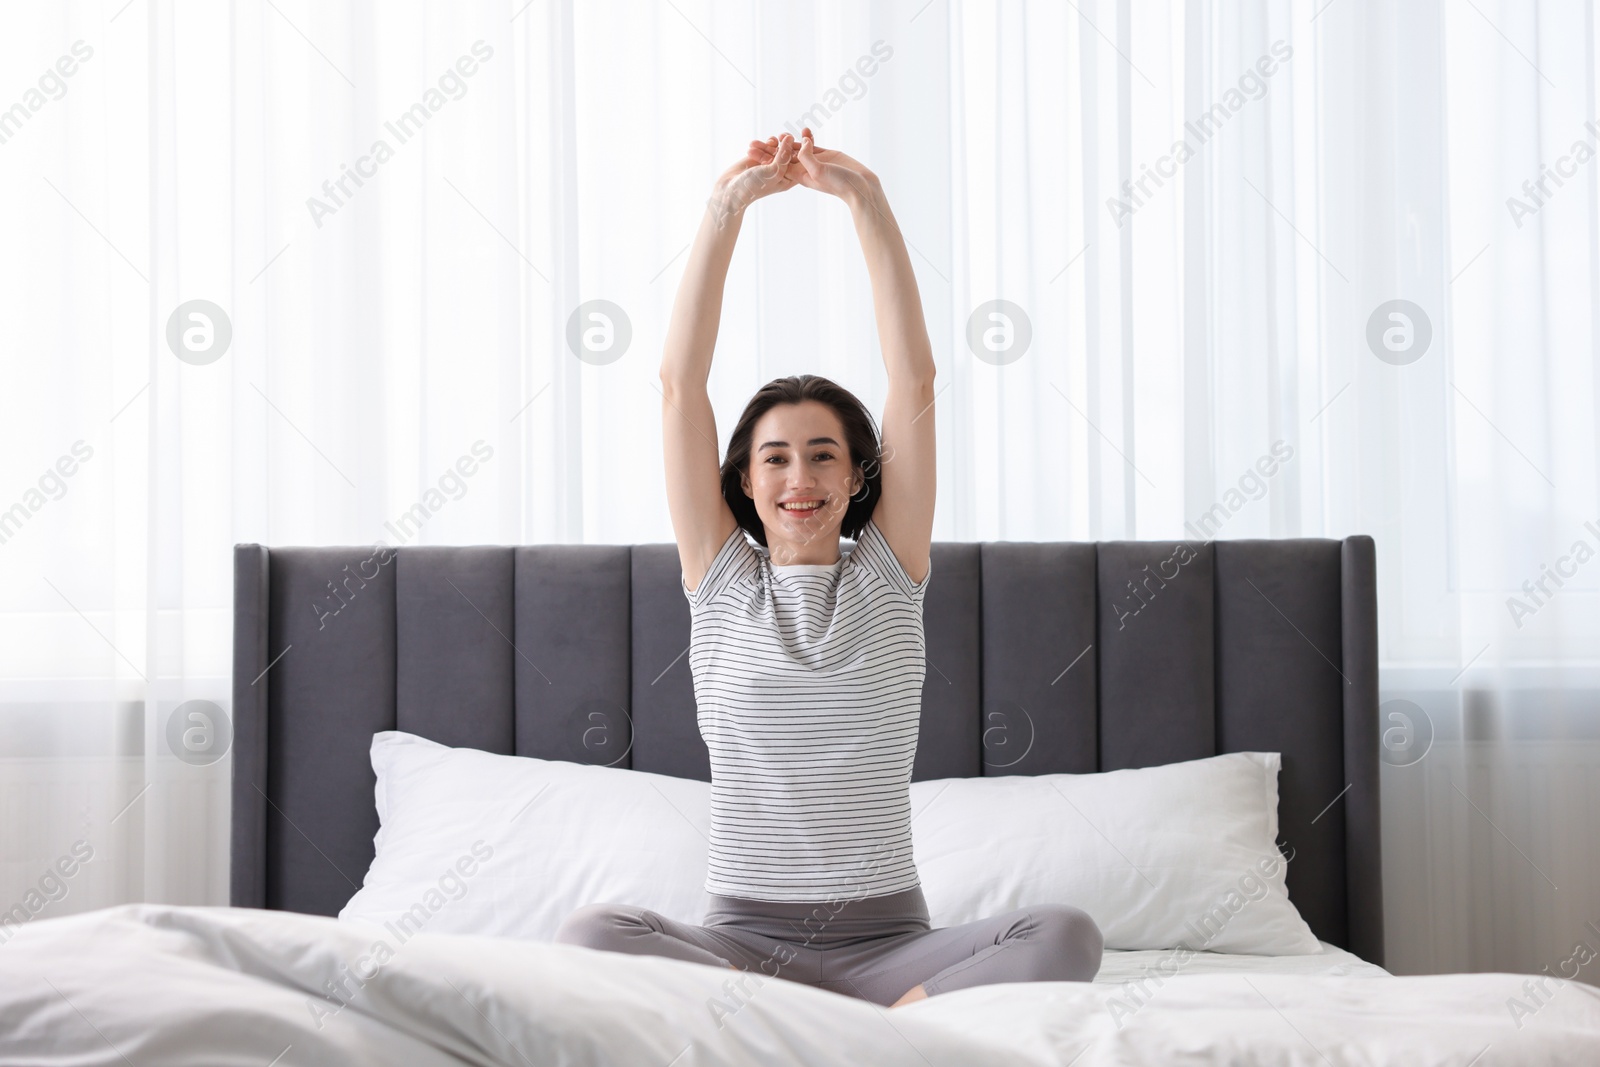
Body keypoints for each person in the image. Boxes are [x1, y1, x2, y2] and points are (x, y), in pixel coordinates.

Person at [554, 130, 1102, 1008]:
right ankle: (813, 1016)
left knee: (1065, 933)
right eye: (775, 458)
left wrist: (867, 204)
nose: (799, 478)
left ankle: (866, 1018)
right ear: (743, 478)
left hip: (889, 943)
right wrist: (726, 209)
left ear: (856, 476)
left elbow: (914, 379)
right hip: (738, 940)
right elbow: (676, 384)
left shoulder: (889, 572)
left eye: (822, 455)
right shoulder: (719, 576)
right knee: (591, 935)